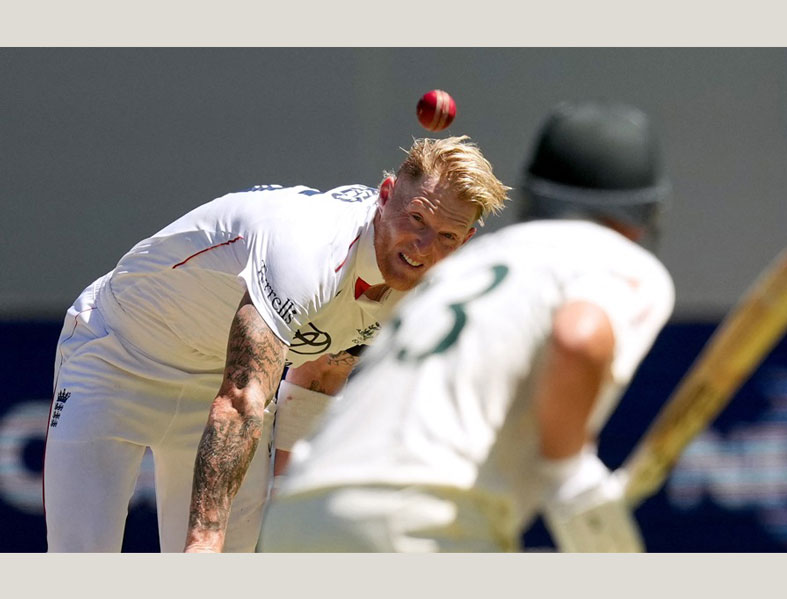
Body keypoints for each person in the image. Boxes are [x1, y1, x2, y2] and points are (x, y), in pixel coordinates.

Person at [43, 135, 509, 553]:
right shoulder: (307, 248)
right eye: (416, 218)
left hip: (222, 387)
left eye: (446, 236)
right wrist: (203, 544)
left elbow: (324, 373)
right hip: (117, 356)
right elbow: (242, 400)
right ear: (386, 195)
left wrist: (290, 515)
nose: (424, 246)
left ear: (466, 240)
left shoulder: (426, 290)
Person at [258, 100, 675, 552]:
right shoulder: (618, 260)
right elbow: (578, 339)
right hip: (421, 520)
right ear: (647, 212)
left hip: (300, 512)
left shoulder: (469, 264)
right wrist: (572, 481)